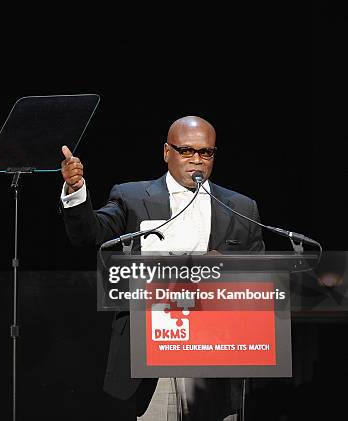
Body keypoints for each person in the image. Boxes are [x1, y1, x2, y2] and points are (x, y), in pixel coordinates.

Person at [60, 116, 265, 420]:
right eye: (187, 151)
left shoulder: (241, 208)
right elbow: (91, 234)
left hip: (216, 354)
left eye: (206, 152)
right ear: (167, 152)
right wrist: (76, 191)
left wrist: (226, 269)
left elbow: (260, 282)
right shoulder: (131, 197)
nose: (197, 160)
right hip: (153, 352)